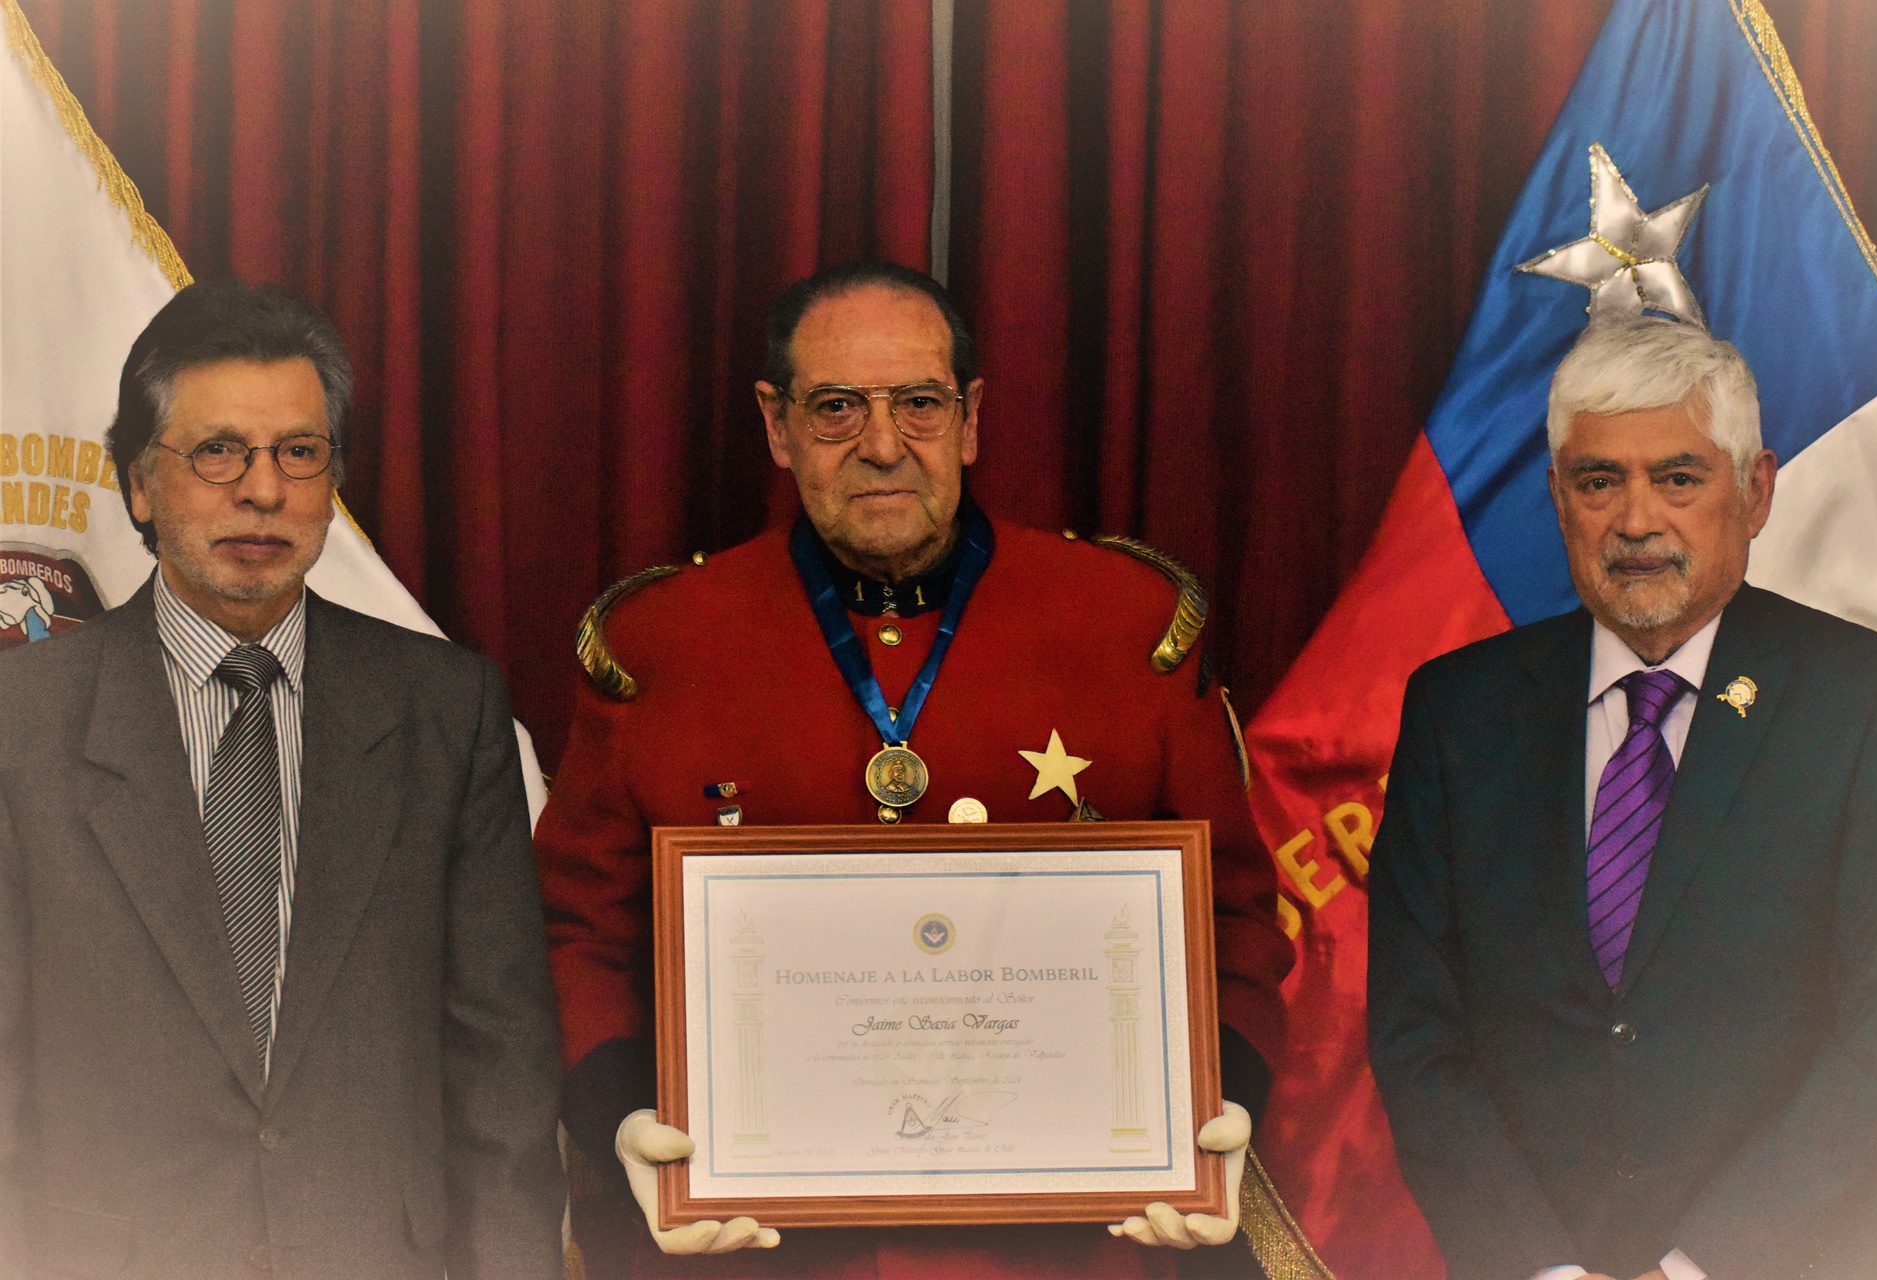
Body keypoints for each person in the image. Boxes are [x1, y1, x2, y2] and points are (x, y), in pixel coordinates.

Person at [536, 261, 1296, 1279]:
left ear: (971, 418)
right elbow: (577, 933)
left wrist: (1218, 1106)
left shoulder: (1124, 620)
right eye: (838, 407)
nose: (884, 445)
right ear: (777, 425)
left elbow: (1234, 918)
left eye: (920, 404)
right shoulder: (664, 641)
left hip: (1078, 1251)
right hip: (755, 1250)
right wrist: (622, 1112)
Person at [0, 280, 567, 1280]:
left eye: (298, 454)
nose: (262, 490)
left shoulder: (446, 708)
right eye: (219, 451)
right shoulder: (22, 721)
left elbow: (502, 1080)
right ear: (139, 482)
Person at [1367, 315, 1877, 1280]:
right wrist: (1537, 1266)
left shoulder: (1874, 701)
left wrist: (1697, 1267)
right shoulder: (1459, 711)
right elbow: (1418, 1033)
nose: (1634, 521)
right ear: (1557, 498)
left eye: (1677, 477)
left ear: (1754, 492)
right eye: (1597, 481)